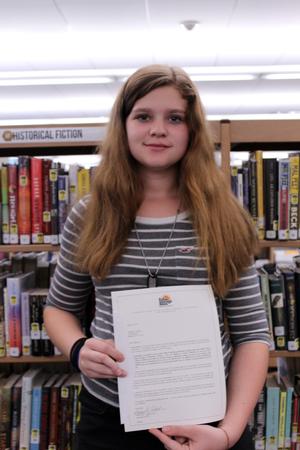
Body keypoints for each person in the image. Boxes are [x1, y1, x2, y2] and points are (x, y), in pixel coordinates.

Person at [44, 64, 270, 450]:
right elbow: (58, 309)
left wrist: (228, 433)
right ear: (124, 124)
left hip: (211, 418)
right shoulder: (90, 213)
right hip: (110, 418)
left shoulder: (224, 215)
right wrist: (79, 349)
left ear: (192, 130)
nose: (158, 129)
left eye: (175, 118)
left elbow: (252, 334)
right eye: (144, 116)